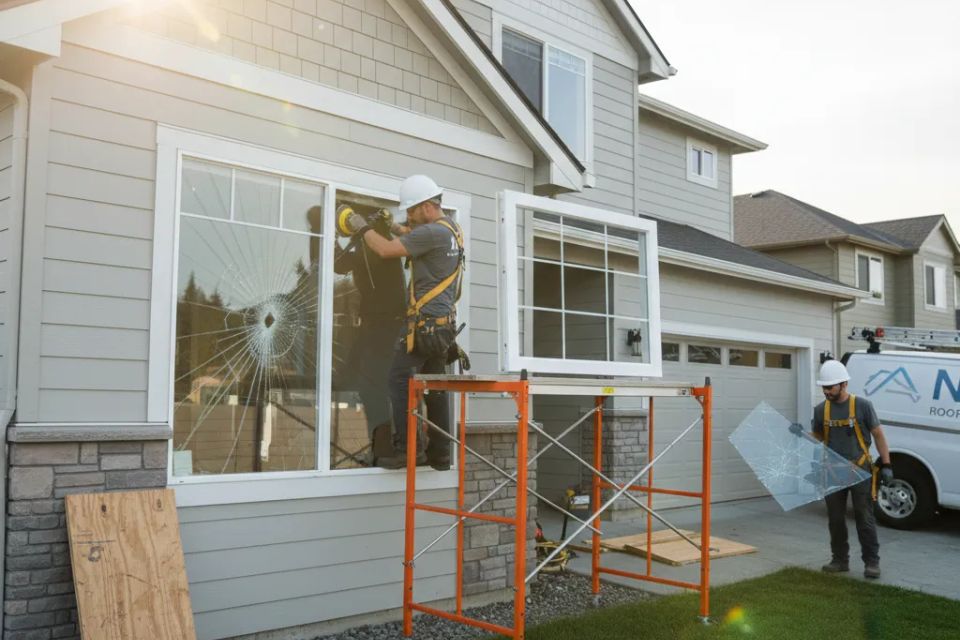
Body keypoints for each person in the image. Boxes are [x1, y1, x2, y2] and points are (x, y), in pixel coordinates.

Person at [340, 175, 464, 470]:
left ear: (426, 207)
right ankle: (441, 453)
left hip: (426, 327)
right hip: (442, 328)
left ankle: (408, 450)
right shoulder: (451, 230)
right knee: (434, 387)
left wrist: (362, 226)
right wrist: (392, 225)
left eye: (411, 209)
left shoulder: (431, 234)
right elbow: (412, 234)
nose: (407, 216)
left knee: (398, 380)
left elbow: (385, 250)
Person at [802, 359, 894, 579]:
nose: (826, 391)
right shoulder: (820, 410)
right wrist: (801, 435)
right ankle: (839, 560)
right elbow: (818, 438)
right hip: (833, 472)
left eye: (830, 387)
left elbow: (879, 435)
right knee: (835, 519)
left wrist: (887, 464)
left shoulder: (862, 405)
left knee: (865, 518)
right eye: (823, 387)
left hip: (860, 471)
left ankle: (872, 562)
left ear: (843, 384)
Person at [332, 206, 406, 465]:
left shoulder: (382, 247)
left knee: (373, 386)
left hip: (386, 326)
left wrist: (353, 230)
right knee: (350, 377)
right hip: (375, 325)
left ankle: (385, 448)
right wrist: (325, 235)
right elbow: (340, 264)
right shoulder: (370, 247)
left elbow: (345, 262)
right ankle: (384, 445)